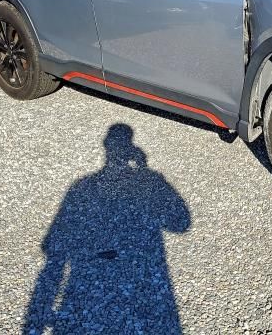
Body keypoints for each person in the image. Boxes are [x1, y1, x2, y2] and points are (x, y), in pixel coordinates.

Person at [23, 123, 191, 334]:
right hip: (142, 281)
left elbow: (52, 245)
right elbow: (180, 223)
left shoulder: (81, 186)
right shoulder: (147, 180)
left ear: (106, 147)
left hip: (84, 285)